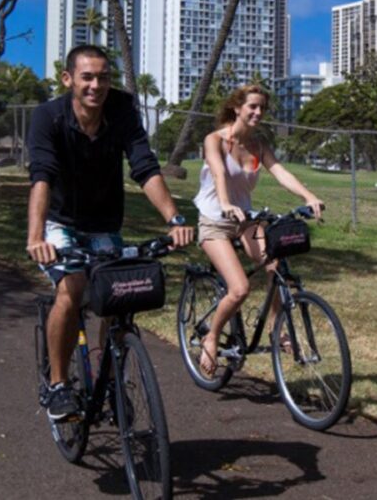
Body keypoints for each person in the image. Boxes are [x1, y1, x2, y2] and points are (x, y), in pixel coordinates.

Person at [26, 45, 194, 422]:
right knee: (71, 289)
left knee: (120, 297)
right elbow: (42, 178)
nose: (96, 85)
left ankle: (112, 377)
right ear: (68, 79)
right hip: (60, 222)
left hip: (104, 223)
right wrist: (36, 237)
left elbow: (144, 167)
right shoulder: (47, 117)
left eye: (103, 77)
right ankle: (58, 385)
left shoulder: (121, 109)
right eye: (87, 77)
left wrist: (174, 219)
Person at [193, 84, 324, 375]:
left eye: (262, 107)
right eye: (252, 106)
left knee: (275, 267)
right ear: (237, 108)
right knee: (239, 289)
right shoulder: (214, 140)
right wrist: (225, 203)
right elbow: (217, 172)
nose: (257, 112)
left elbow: (280, 172)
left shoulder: (258, 145)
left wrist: (308, 196)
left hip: (245, 220)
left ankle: (277, 331)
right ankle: (211, 337)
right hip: (215, 220)